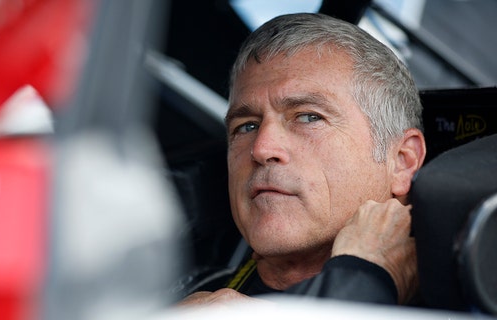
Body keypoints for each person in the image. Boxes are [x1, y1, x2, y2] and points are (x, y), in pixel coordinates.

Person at [178, 13, 426, 307]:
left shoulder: (468, 304)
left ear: (401, 161)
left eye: (309, 117)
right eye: (247, 126)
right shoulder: (180, 295)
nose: (262, 148)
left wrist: (361, 278)